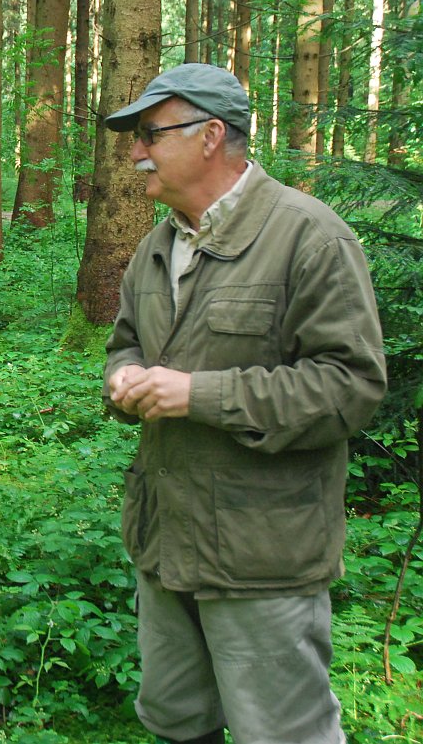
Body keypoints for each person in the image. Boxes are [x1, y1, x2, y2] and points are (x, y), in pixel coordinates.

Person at [102, 63, 387, 744]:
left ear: (210, 136)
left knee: (282, 732)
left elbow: (350, 385)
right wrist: (124, 378)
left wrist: (200, 394)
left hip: (263, 556)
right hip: (165, 541)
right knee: (176, 719)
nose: (136, 153)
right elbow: (124, 343)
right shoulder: (157, 245)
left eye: (149, 134)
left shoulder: (309, 237)